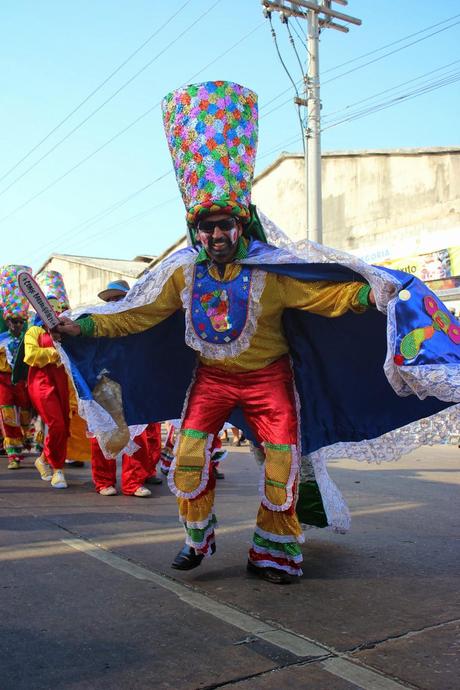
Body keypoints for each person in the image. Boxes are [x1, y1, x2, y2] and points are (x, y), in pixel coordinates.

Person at [55, 81, 459, 585]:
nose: (217, 235)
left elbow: (324, 297)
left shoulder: (271, 270)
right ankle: (197, 539)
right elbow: (139, 314)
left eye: (225, 224)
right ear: (196, 231)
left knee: (280, 465)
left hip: (270, 380)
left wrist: (370, 294)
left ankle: (272, 552)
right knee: (187, 458)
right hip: (212, 380)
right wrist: (83, 324)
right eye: (208, 227)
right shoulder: (182, 272)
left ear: (240, 225)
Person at [89, 280, 153, 498]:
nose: (115, 302)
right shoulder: (98, 322)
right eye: (111, 299)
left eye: (119, 298)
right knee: (104, 432)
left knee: (137, 434)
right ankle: (104, 481)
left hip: (134, 383)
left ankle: (133, 482)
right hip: (104, 384)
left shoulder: (140, 322)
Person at [0, 265, 34, 469]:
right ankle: (13, 453)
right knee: (7, 414)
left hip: (22, 379)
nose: (16, 325)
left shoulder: (28, 336)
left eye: (20, 322)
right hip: (3, 379)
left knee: (25, 415)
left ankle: (25, 440)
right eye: (13, 321)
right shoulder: (2, 337)